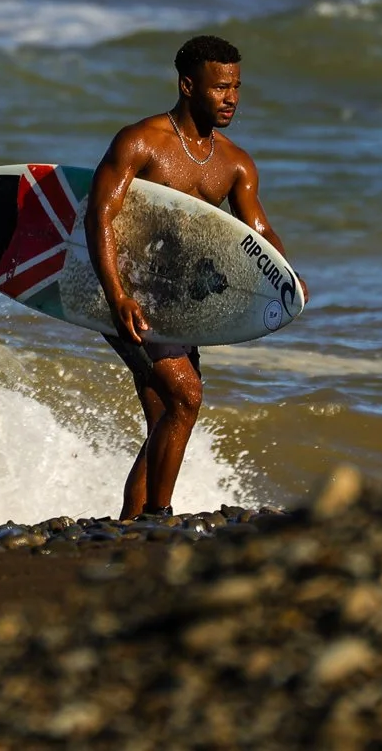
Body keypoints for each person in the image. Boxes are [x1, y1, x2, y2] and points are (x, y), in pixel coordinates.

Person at [85, 34, 304, 521]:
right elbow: (98, 215)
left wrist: (286, 277)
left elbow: (259, 231)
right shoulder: (140, 142)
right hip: (127, 291)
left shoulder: (235, 162)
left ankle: (132, 524)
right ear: (188, 85)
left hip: (182, 302)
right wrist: (116, 295)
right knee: (187, 397)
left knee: (166, 415)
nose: (231, 99)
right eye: (220, 87)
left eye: (237, 87)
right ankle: (160, 515)